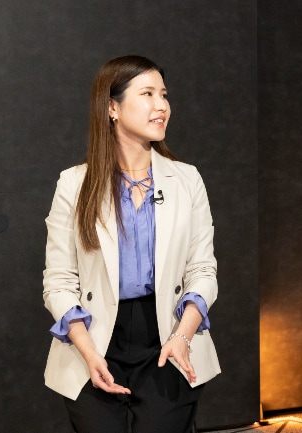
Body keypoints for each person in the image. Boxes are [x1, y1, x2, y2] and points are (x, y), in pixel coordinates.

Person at [42, 55, 221, 433]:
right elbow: (58, 282)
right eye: (148, 94)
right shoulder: (74, 184)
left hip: (169, 338)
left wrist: (183, 335)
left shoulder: (187, 180)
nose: (162, 106)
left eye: (164, 95)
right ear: (112, 107)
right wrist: (88, 351)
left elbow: (203, 270)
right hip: (92, 341)